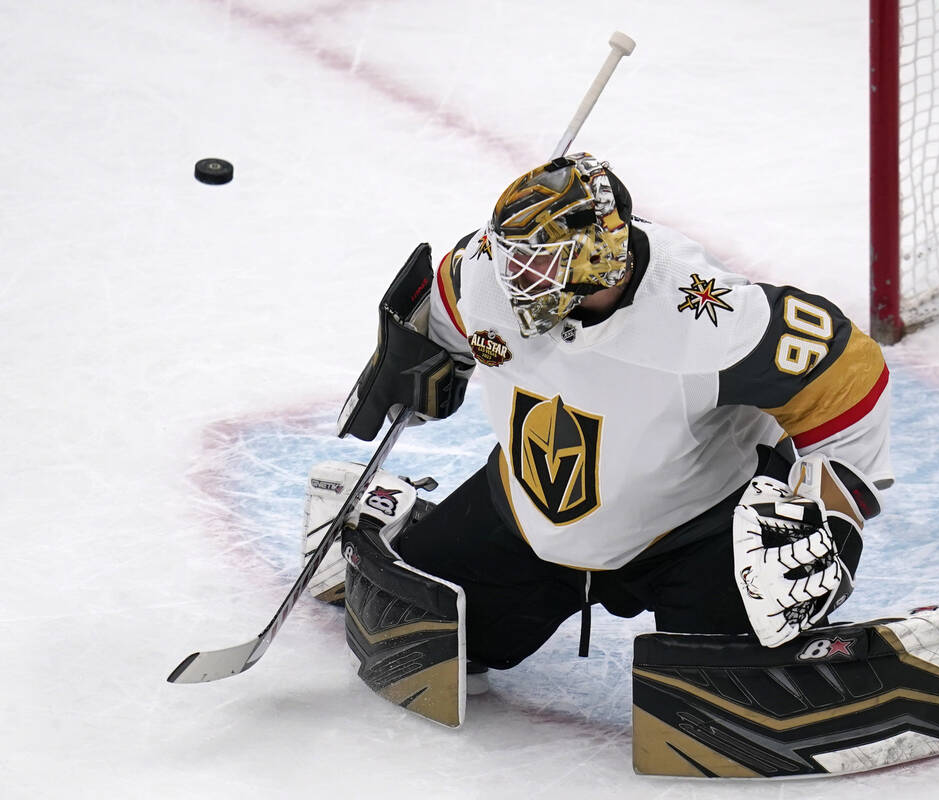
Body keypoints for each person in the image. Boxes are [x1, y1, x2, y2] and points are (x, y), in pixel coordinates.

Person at [317, 152, 892, 673]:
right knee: (416, 637)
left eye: (536, 265)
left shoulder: (707, 317)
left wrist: (835, 512)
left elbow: (848, 374)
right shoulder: (486, 273)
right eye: (512, 260)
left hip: (698, 530)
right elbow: (445, 302)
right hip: (528, 511)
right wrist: (422, 357)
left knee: (719, 690)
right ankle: (398, 513)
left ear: (599, 258)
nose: (512, 280)